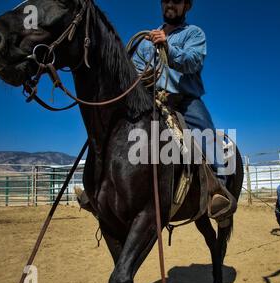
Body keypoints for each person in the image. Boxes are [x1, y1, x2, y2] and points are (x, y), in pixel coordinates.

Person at [76, 0, 236, 218]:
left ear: (186, 6)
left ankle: (218, 189)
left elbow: (192, 62)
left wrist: (168, 47)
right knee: (114, 129)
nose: (170, 4)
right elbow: (133, 74)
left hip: (185, 100)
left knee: (206, 132)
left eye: (177, 1)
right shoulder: (145, 42)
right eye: (166, 0)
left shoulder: (194, 34)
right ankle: (98, 188)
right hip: (150, 99)